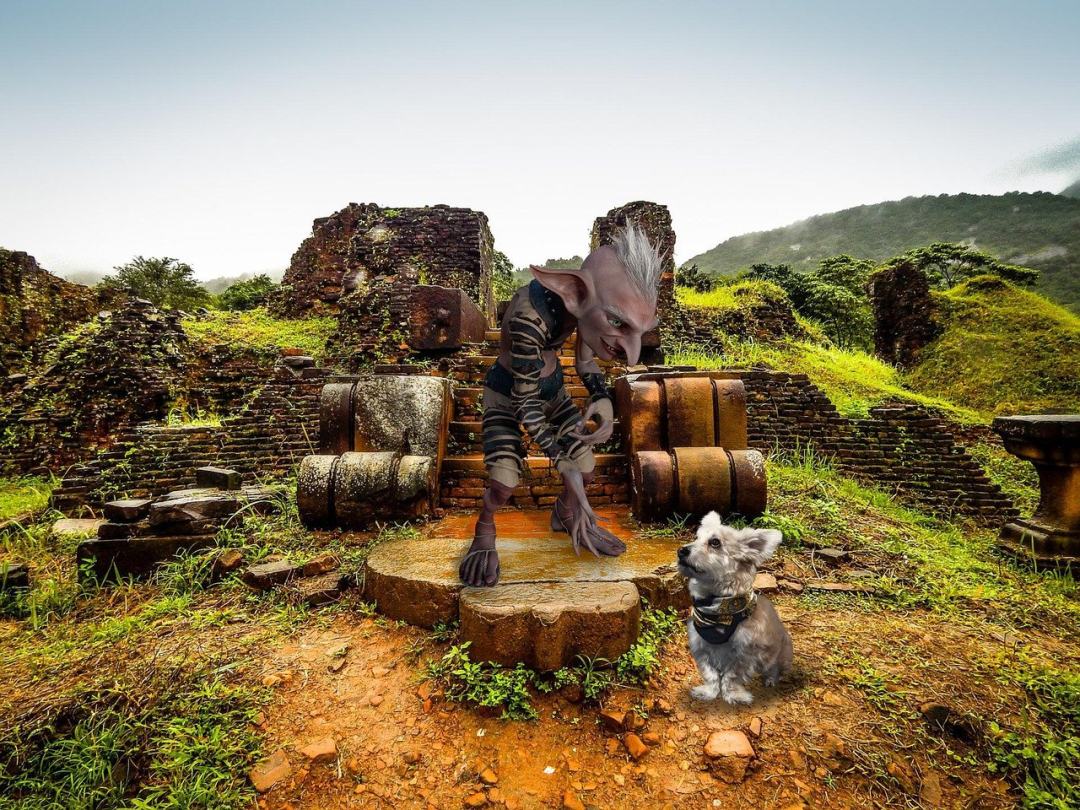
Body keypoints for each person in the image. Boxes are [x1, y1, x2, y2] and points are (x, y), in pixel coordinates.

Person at [459, 221, 665, 587]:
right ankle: (484, 528)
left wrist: (601, 397)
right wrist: (559, 461)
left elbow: (584, 362)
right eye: (619, 323)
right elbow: (526, 405)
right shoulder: (529, 315)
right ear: (573, 291)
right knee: (504, 480)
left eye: (638, 332)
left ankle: (565, 514)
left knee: (584, 468)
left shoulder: (586, 310)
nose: (631, 355)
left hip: (552, 390)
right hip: (509, 396)